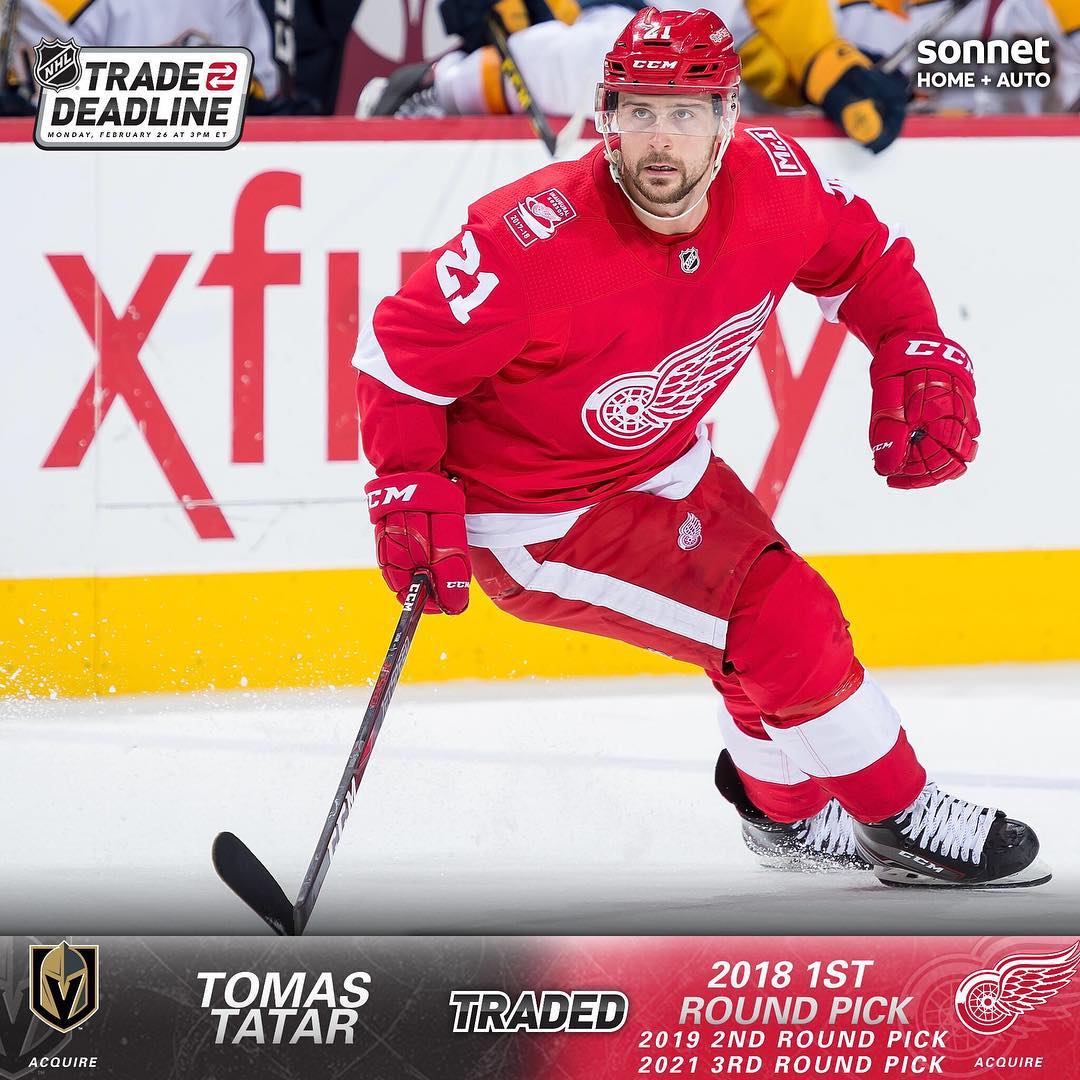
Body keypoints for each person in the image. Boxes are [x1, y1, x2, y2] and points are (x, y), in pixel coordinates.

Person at [355, 6, 1050, 888]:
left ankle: (785, 819)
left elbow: (864, 261)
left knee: (756, 640)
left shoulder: (776, 184)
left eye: (685, 113)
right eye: (639, 110)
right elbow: (398, 357)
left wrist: (913, 343)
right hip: (541, 518)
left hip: (666, 463)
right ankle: (901, 816)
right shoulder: (526, 242)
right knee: (778, 613)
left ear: (729, 118)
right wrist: (407, 482)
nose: (661, 138)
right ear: (605, 116)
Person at [361, 0, 910, 154]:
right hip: (608, 21)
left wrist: (823, 66)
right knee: (621, 61)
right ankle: (442, 85)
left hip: (711, 58)